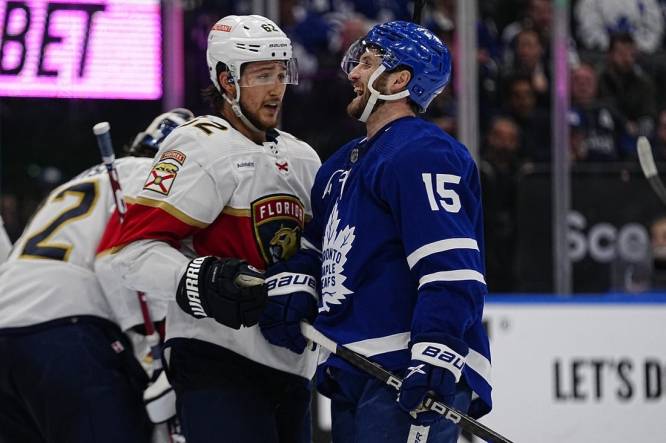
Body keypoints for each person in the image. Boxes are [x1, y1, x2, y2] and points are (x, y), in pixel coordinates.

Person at [258, 20, 492, 443]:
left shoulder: (423, 151)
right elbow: (318, 248)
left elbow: (450, 268)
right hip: (352, 364)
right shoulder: (340, 165)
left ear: (399, 79)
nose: (353, 74)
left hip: (405, 369)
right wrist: (295, 285)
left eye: (366, 63)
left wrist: (436, 350)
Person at [98, 14, 321, 443]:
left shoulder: (303, 157)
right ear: (226, 79)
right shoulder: (201, 145)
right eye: (261, 75)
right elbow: (132, 252)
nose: (276, 88)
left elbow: (317, 250)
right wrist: (198, 278)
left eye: (281, 73)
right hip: (217, 359)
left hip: (291, 366)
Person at [0, 108, 193, 443]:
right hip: (63, 328)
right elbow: (117, 262)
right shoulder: (149, 178)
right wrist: (153, 355)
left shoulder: (82, 179)